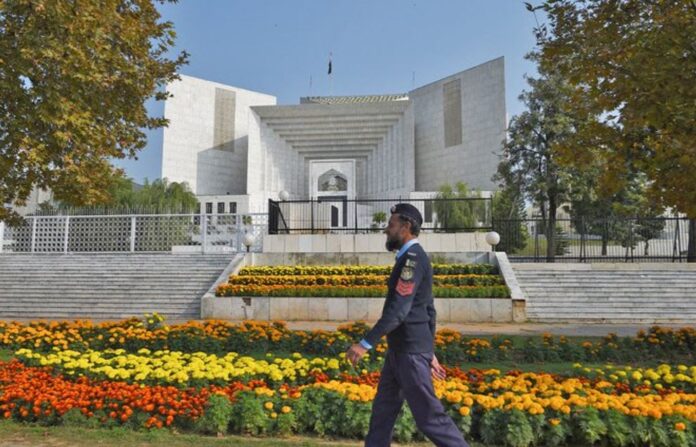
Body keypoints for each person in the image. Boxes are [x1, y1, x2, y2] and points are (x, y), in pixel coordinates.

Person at [345, 203, 469, 447]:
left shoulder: (412, 260)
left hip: (410, 353)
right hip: (401, 351)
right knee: (383, 413)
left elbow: (398, 311)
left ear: (406, 226)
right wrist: (430, 350)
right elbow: (429, 310)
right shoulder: (408, 259)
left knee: (430, 418)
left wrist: (365, 343)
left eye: (391, 225)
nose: (386, 230)